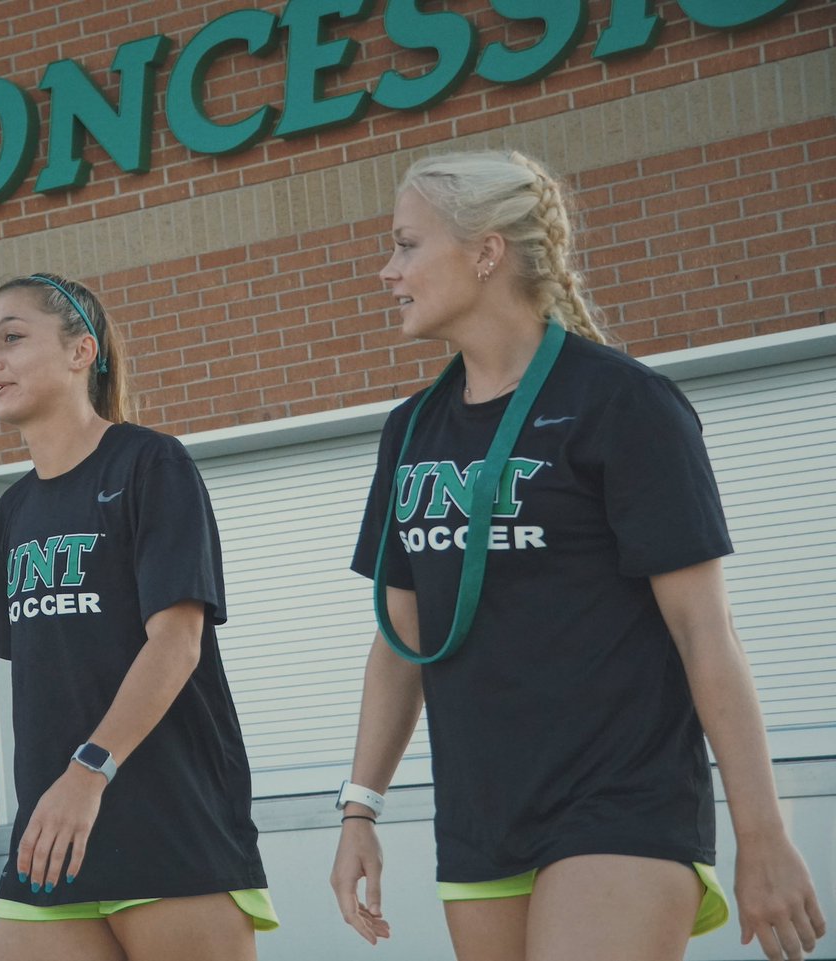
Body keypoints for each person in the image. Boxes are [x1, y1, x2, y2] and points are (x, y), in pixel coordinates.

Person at [329, 151, 826, 961]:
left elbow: (708, 634)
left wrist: (761, 835)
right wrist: (360, 809)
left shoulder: (622, 402)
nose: (388, 271)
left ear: (486, 252)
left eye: (407, 245)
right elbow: (399, 642)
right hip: (480, 815)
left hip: (619, 802)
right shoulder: (410, 431)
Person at [0, 273, 276, 961]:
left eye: (13, 338)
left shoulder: (151, 463)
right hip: (52, 838)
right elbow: (49, 677)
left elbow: (177, 641)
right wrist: (60, 791)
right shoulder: (12, 512)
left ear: (83, 351)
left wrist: (88, 772)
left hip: (169, 823)